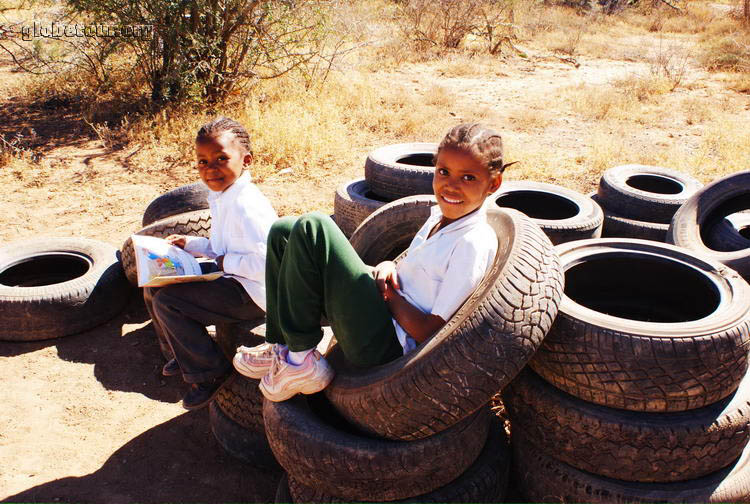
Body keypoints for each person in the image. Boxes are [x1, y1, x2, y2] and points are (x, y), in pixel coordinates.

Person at [234, 123, 506, 402]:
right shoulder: (440, 217)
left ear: (493, 184)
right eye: (444, 172)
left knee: (314, 226)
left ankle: (301, 361)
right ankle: (282, 344)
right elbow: (419, 275)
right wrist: (389, 265)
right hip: (383, 312)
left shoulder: (473, 242)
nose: (451, 185)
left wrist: (388, 296)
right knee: (284, 231)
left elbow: (431, 331)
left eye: (469, 178)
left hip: (387, 344)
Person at [143, 117, 278, 410]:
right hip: (235, 278)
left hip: (256, 291)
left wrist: (221, 261)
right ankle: (185, 356)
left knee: (170, 303)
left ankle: (209, 373)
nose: (210, 168)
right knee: (157, 288)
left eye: (220, 159)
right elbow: (221, 247)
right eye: (202, 162)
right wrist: (190, 245)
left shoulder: (246, 205)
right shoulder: (223, 195)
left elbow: (266, 263)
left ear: (246, 161)